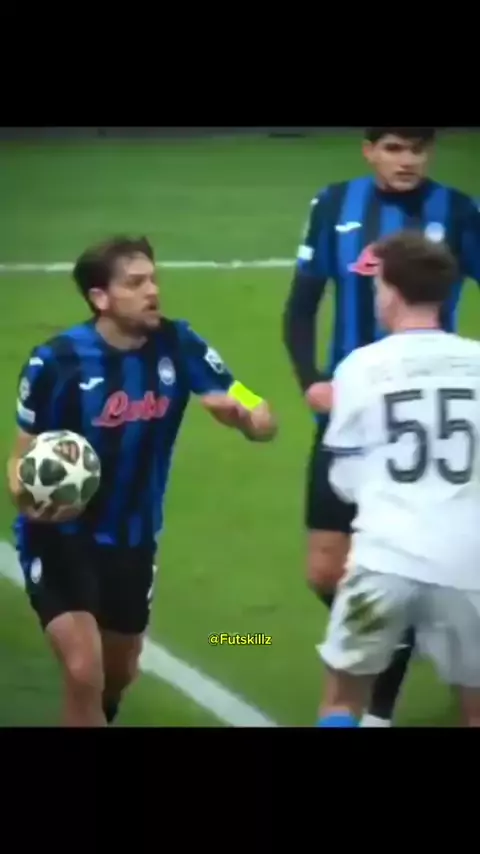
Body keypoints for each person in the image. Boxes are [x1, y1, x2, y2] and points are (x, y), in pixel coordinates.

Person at [8, 235, 277, 727]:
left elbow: (255, 405)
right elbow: (21, 458)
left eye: (152, 279)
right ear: (100, 297)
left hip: (133, 541)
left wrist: (246, 415)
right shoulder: (55, 362)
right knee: (84, 671)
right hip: (61, 537)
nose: (152, 291)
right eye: (135, 283)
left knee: (118, 673)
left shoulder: (180, 343)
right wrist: (33, 501)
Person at [282, 126, 480, 727]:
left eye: (418, 148)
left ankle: (379, 702)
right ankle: (408, 630)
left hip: (425, 406)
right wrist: (311, 381)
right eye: (394, 147)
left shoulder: (457, 211)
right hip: (351, 407)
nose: (407, 160)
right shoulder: (334, 205)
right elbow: (300, 306)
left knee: (390, 561)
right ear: (369, 150)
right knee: (324, 570)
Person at [315, 230, 480, 728]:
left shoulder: (361, 367)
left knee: (343, 698)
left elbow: (345, 479)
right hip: (469, 567)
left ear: (391, 290)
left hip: (384, 563)